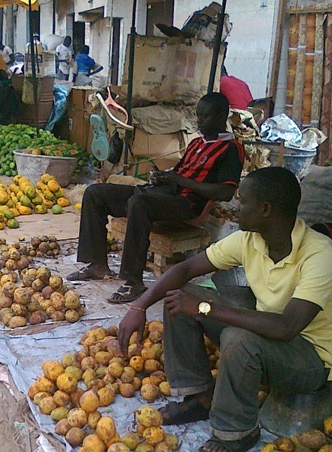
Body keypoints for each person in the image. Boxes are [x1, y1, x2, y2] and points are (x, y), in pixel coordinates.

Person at [118, 166, 332, 452]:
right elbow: (184, 269)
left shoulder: (320, 256)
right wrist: (139, 306)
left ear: (264, 209)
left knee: (237, 338)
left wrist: (207, 308)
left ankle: (237, 431)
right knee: (179, 297)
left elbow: (287, 327)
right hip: (268, 334)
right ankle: (200, 396)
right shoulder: (251, 240)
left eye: (243, 200)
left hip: (309, 360)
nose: (235, 207)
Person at [68, 92, 244, 303]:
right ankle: (97, 265)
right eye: (198, 116)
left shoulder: (231, 149)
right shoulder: (198, 143)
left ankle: (134, 281)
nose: (199, 122)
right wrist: (164, 178)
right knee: (96, 193)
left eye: (204, 117)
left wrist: (180, 181)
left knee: (139, 203)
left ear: (221, 116)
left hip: (188, 204)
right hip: (167, 195)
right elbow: (180, 173)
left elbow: (225, 193)